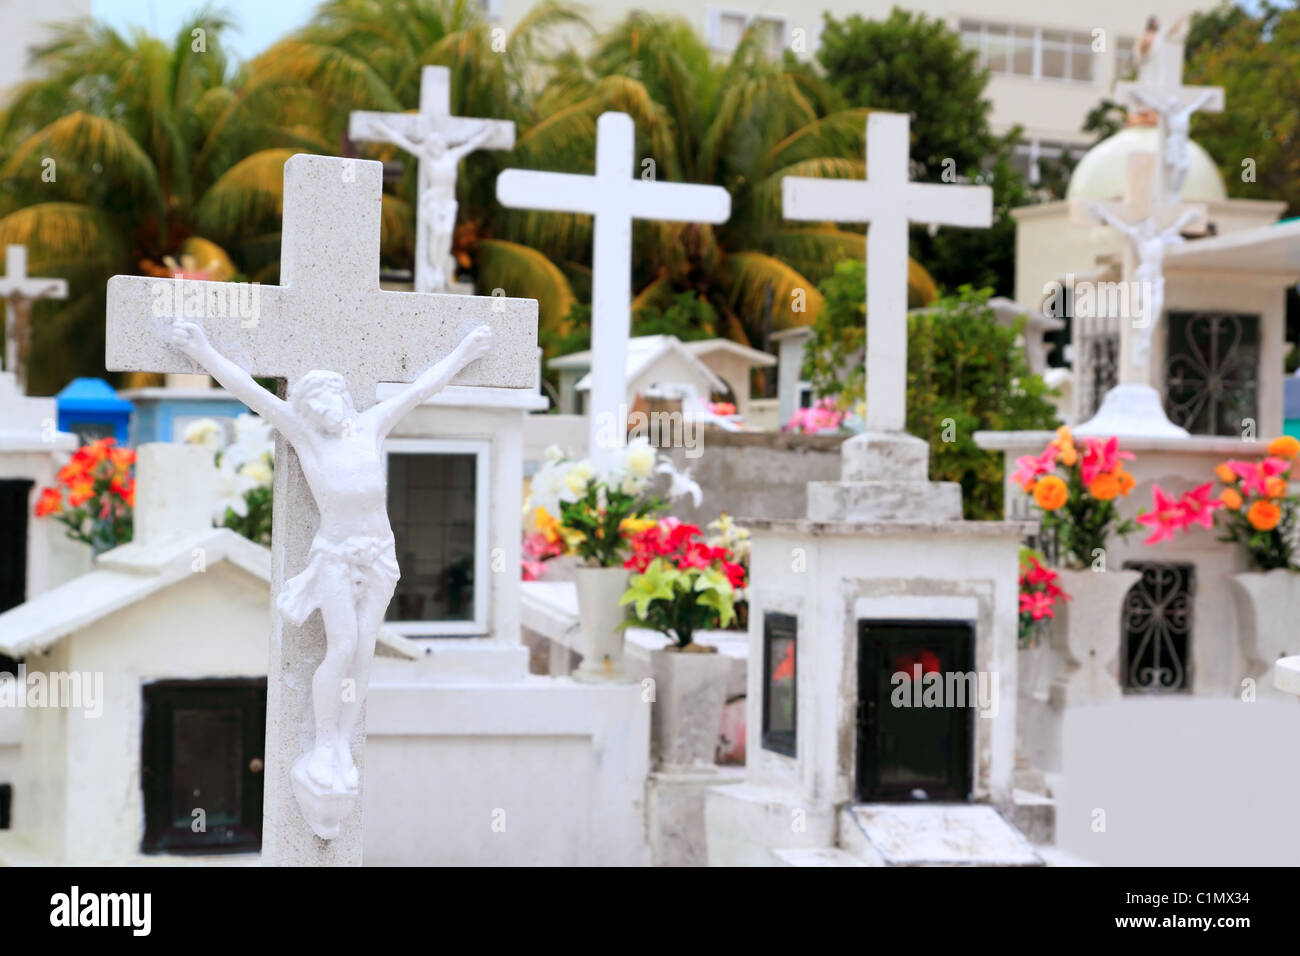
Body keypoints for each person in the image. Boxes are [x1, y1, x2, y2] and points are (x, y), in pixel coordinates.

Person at [166, 316, 494, 795]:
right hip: (336, 556)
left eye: (331, 400)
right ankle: (324, 742)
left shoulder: (371, 425)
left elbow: (422, 388)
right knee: (341, 646)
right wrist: (204, 352)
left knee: (363, 651)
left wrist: (465, 351)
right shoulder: (307, 438)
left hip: (380, 555)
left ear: (343, 396)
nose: (327, 411)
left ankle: (342, 741)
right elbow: (251, 392)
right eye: (315, 406)